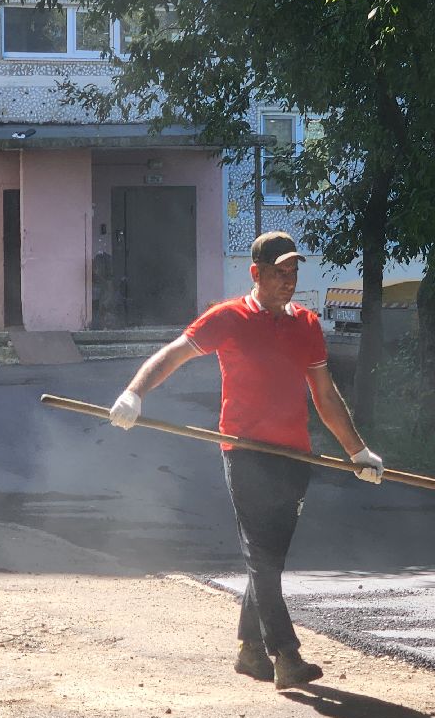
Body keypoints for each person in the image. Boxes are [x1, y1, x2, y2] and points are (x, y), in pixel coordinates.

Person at [110, 231, 384, 689]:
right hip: (245, 453)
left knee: (269, 558)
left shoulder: (307, 325)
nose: (288, 281)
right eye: (279, 273)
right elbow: (173, 355)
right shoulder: (229, 318)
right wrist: (133, 393)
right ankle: (286, 655)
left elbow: (325, 394)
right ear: (256, 273)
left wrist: (357, 450)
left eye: (294, 272)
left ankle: (250, 651)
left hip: (295, 456)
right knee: (262, 556)